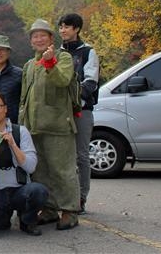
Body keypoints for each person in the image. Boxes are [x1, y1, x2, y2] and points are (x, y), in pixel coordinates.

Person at [19, 19, 80, 230]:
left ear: (51, 38)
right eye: (34, 36)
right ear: (30, 41)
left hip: (58, 125)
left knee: (63, 170)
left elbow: (63, 80)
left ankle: (70, 210)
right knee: (41, 172)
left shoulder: (63, 58)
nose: (38, 39)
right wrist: (22, 124)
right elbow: (24, 98)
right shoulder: (29, 65)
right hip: (34, 127)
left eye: (42, 35)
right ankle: (50, 208)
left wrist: (50, 62)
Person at [0, 91, 48, 237]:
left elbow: (31, 167)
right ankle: (3, 218)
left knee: (38, 191)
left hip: (19, 190)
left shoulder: (20, 132)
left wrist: (12, 144)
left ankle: (27, 220)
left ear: (5, 108)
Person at [58, 13, 100, 214]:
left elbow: (91, 82)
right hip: (59, 113)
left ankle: (81, 197)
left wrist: (73, 99)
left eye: (66, 27)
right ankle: (64, 197)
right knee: (62, 156)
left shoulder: (88, 52)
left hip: (81, 111)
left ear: (76, 29)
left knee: (81, 157)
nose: (63, 30)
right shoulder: (55, 53)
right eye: (60, 27)